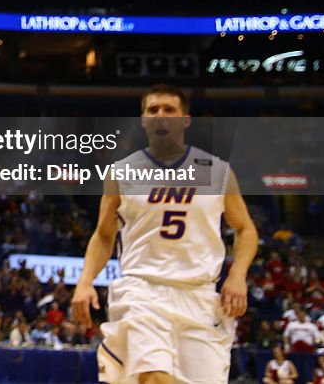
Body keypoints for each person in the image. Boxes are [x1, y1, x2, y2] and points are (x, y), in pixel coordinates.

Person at [72, 84, 259, 384]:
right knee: (154, 376)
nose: (160, 115)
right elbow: (104, 235)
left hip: (199, 294)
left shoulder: (217, 171)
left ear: (185, 120)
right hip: (142, 289)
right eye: (152, 110)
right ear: (143, 120)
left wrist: (237, 275)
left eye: (169, 109)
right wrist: (85, 282)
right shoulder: (121, 172)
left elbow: (246, 229)